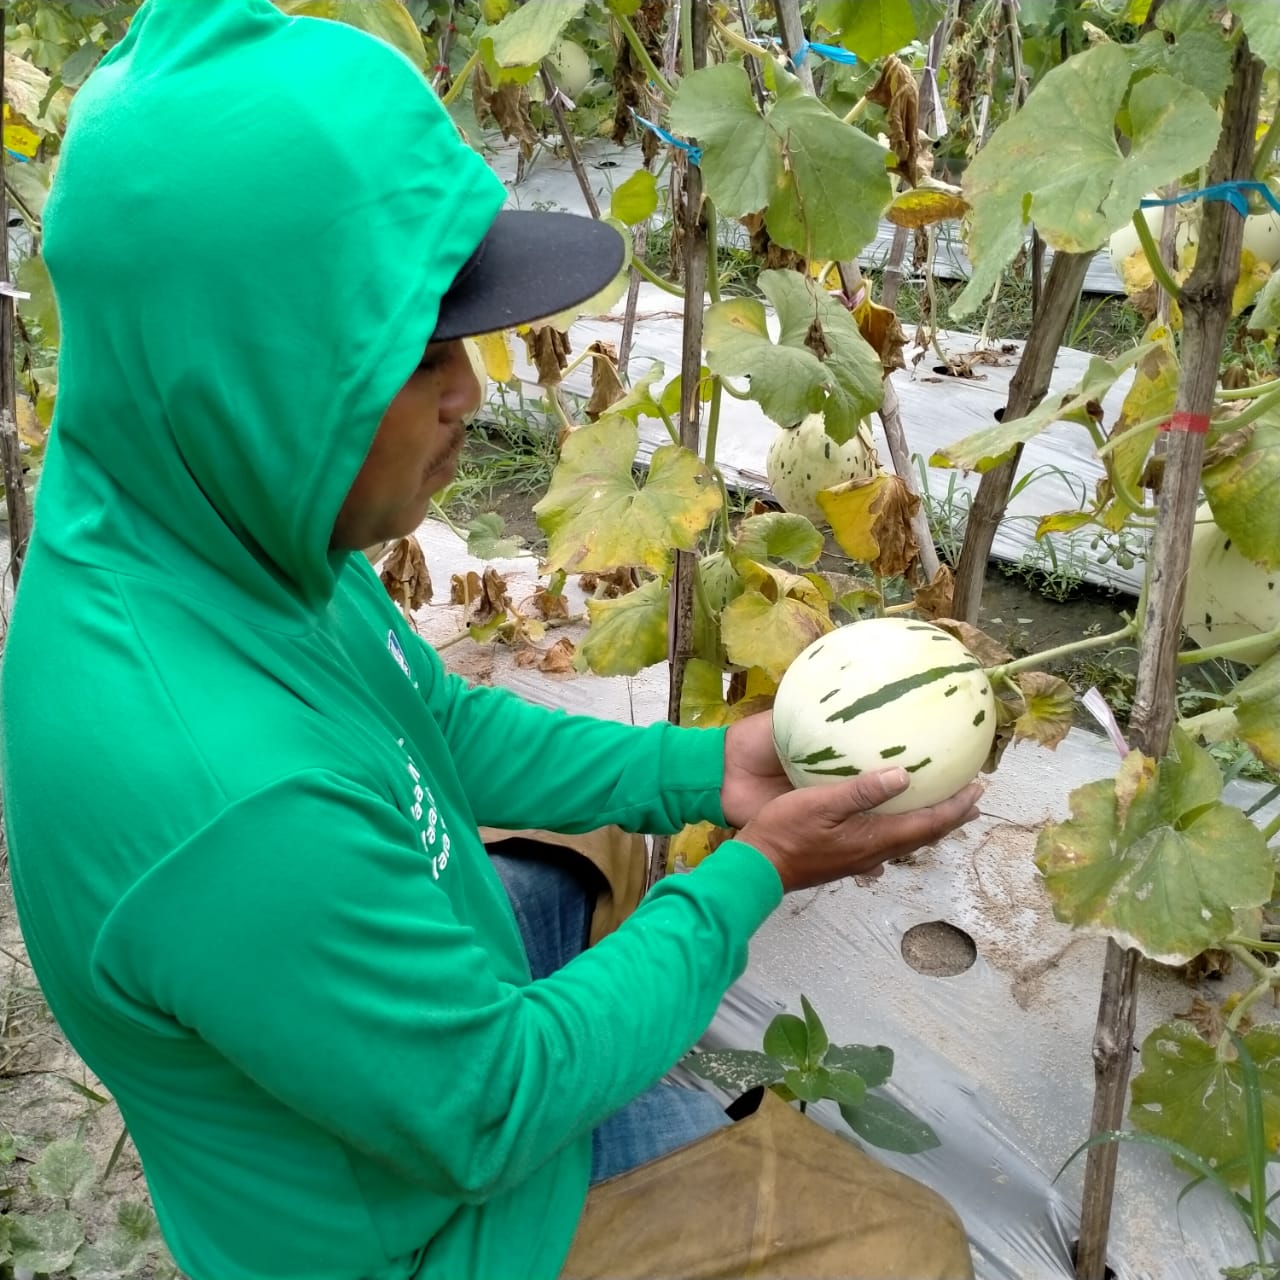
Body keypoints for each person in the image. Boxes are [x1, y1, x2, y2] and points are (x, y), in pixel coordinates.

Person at [0, 2, 983, 1278]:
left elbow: (439, 717)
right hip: (417, 1217)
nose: (471, 387)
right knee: (902, 1247)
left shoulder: (201, 515)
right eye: (413, 351)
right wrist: (749, 875)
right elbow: (487, 1108)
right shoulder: (220, 791)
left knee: (597, 823)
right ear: (250, 376)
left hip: (368, 1021)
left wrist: (704, 771)